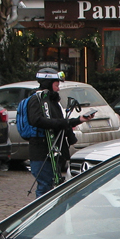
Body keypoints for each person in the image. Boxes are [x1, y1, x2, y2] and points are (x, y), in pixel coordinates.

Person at [27, 69, 93, 197]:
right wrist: (62, 123)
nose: (58, 89)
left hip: (55, 150)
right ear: (48, 83)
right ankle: (41, 214)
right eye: (56, 85)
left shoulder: (53, 102)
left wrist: (78, 121)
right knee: (45, 185)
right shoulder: (36, 100)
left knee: (53, 185)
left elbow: (62, 122)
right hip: (41, 151)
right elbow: (38, 120)